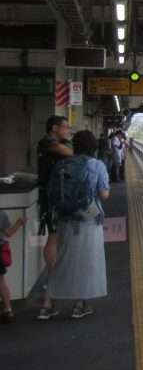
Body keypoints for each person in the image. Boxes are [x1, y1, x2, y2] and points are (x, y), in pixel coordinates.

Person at [37, 130, 110, 320]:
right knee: (86, 262)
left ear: (74, 146)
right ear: (94, 147)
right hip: (88, 221)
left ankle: (47, 304)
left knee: (62, 262)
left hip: (64, 219)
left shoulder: (62, 164)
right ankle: (81, 304)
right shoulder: (97, 165)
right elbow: (103, 195)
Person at [37, 115, 73, 283]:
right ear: (54, 128)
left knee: (57, 236)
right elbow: (70, 153)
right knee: (53, 236)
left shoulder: (58, 143)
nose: (68, 130)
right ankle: (52, 280)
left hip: (57, 194)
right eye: (65, 127)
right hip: (50, 196)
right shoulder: (47, 143)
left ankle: (56, 276)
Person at [0, 210, 27, 323]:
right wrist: (19, 223)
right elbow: (9, 233)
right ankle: (8, 310)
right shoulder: (1, 214)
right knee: (1, 282)